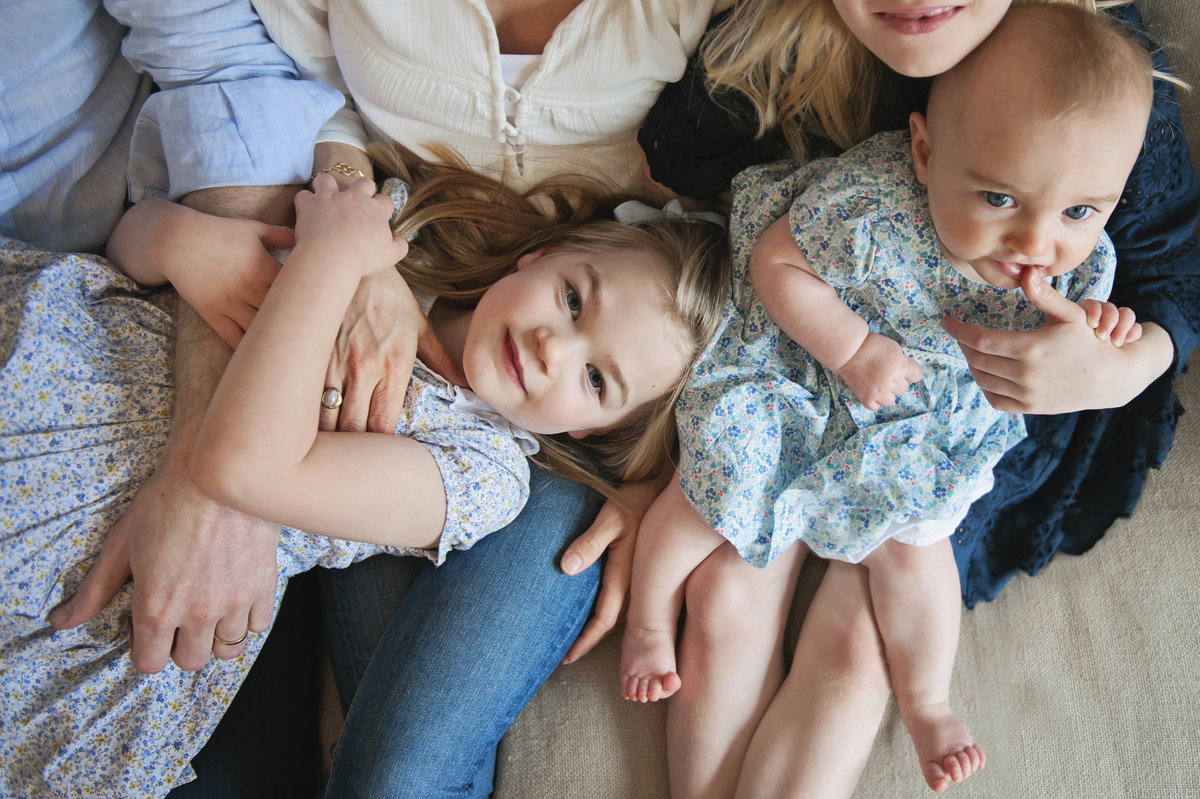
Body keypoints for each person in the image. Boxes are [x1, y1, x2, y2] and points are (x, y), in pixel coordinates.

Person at [18, 2, 728, 796]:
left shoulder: (481, 474)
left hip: (92, 520)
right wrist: (183, 242)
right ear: (544, 252)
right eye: (571, 299)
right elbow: (130, 246)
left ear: (600, 431)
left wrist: (331, 256)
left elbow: (240, 466)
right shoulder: (397, 229)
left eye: (595, 381)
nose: (552, 348)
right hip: (53, 348)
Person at [634, 0, 1200, 797]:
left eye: (1073, 213)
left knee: (865, 639)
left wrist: (1124, 364)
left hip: (965, 424)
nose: (1037, 245)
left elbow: (1174, 265)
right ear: (923, 148)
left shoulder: (1101, 66)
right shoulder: (783, 54)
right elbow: (698, 213)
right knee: (726, 586)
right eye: (1001, 198)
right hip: (802, 366)